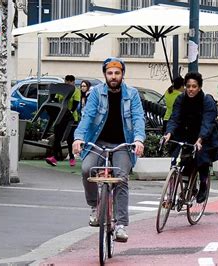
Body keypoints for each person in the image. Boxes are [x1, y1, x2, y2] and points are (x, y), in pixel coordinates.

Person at [72, 57, 145, 243]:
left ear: (122, 75)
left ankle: (120, 225)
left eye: (117, 73)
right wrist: (79, 138)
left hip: (123, 144)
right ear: (105, 75)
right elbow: (87, 118)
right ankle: (95, 206)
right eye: (110, 73)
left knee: (121, 178)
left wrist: (138, 140)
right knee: (87, 169)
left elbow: (138, 119)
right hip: (98, 142)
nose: (113, 77)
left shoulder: (132, 94)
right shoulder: (96, 93)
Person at [163, 72, 218, 204]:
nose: (191, 89)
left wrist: (200, 139)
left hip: (205, 135)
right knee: (177, 159)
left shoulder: (207, 101)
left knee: (201, 157)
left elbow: (207, 123)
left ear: (199, 87)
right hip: (185, 133)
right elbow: (175, 118)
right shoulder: (180, 99)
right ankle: (175, 191)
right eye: (188, 86)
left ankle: (203, 185)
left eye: (194, 86)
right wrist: (169, 133)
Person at [45, 75, 81, 167]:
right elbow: (57, 100)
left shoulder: (76, 91)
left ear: (73, 82)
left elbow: (75, 104)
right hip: (60, 116)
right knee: (57, 137)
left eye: (70, 81)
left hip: (71, 118)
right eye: (67, 81)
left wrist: (70, 112)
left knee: (70, 139)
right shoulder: (62, 89)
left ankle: (72, 157)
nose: (68, 83)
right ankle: (54, 157)